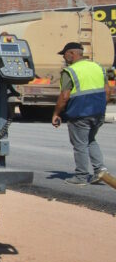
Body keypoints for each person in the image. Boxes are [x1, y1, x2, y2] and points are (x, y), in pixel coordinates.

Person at [51, 41, 108, 185]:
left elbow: (64, 96)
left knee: (80, 144)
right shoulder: (98, 67)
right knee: (90, 140)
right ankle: (100, 171)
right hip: (98, 112)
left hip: (80, 113)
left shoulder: (70, 71)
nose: (64, 58)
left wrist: (56, 113)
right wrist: (100, 106)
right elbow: (108, 91)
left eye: (64, 54)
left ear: (72, 53)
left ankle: (81, 177)